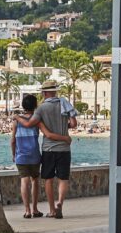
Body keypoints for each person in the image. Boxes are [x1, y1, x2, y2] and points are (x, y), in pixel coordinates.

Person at [15, 80, 77, 219]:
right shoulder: (64, 103)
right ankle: (60, 202)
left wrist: (16, 117)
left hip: (49, 149)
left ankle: (52, 210)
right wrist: (63, 127)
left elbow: (29, 123)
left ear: (44, 92)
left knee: (48, 179)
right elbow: (73, 123)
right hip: (64, 149)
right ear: (55, 91)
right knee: (63, 178)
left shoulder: (41, 109)